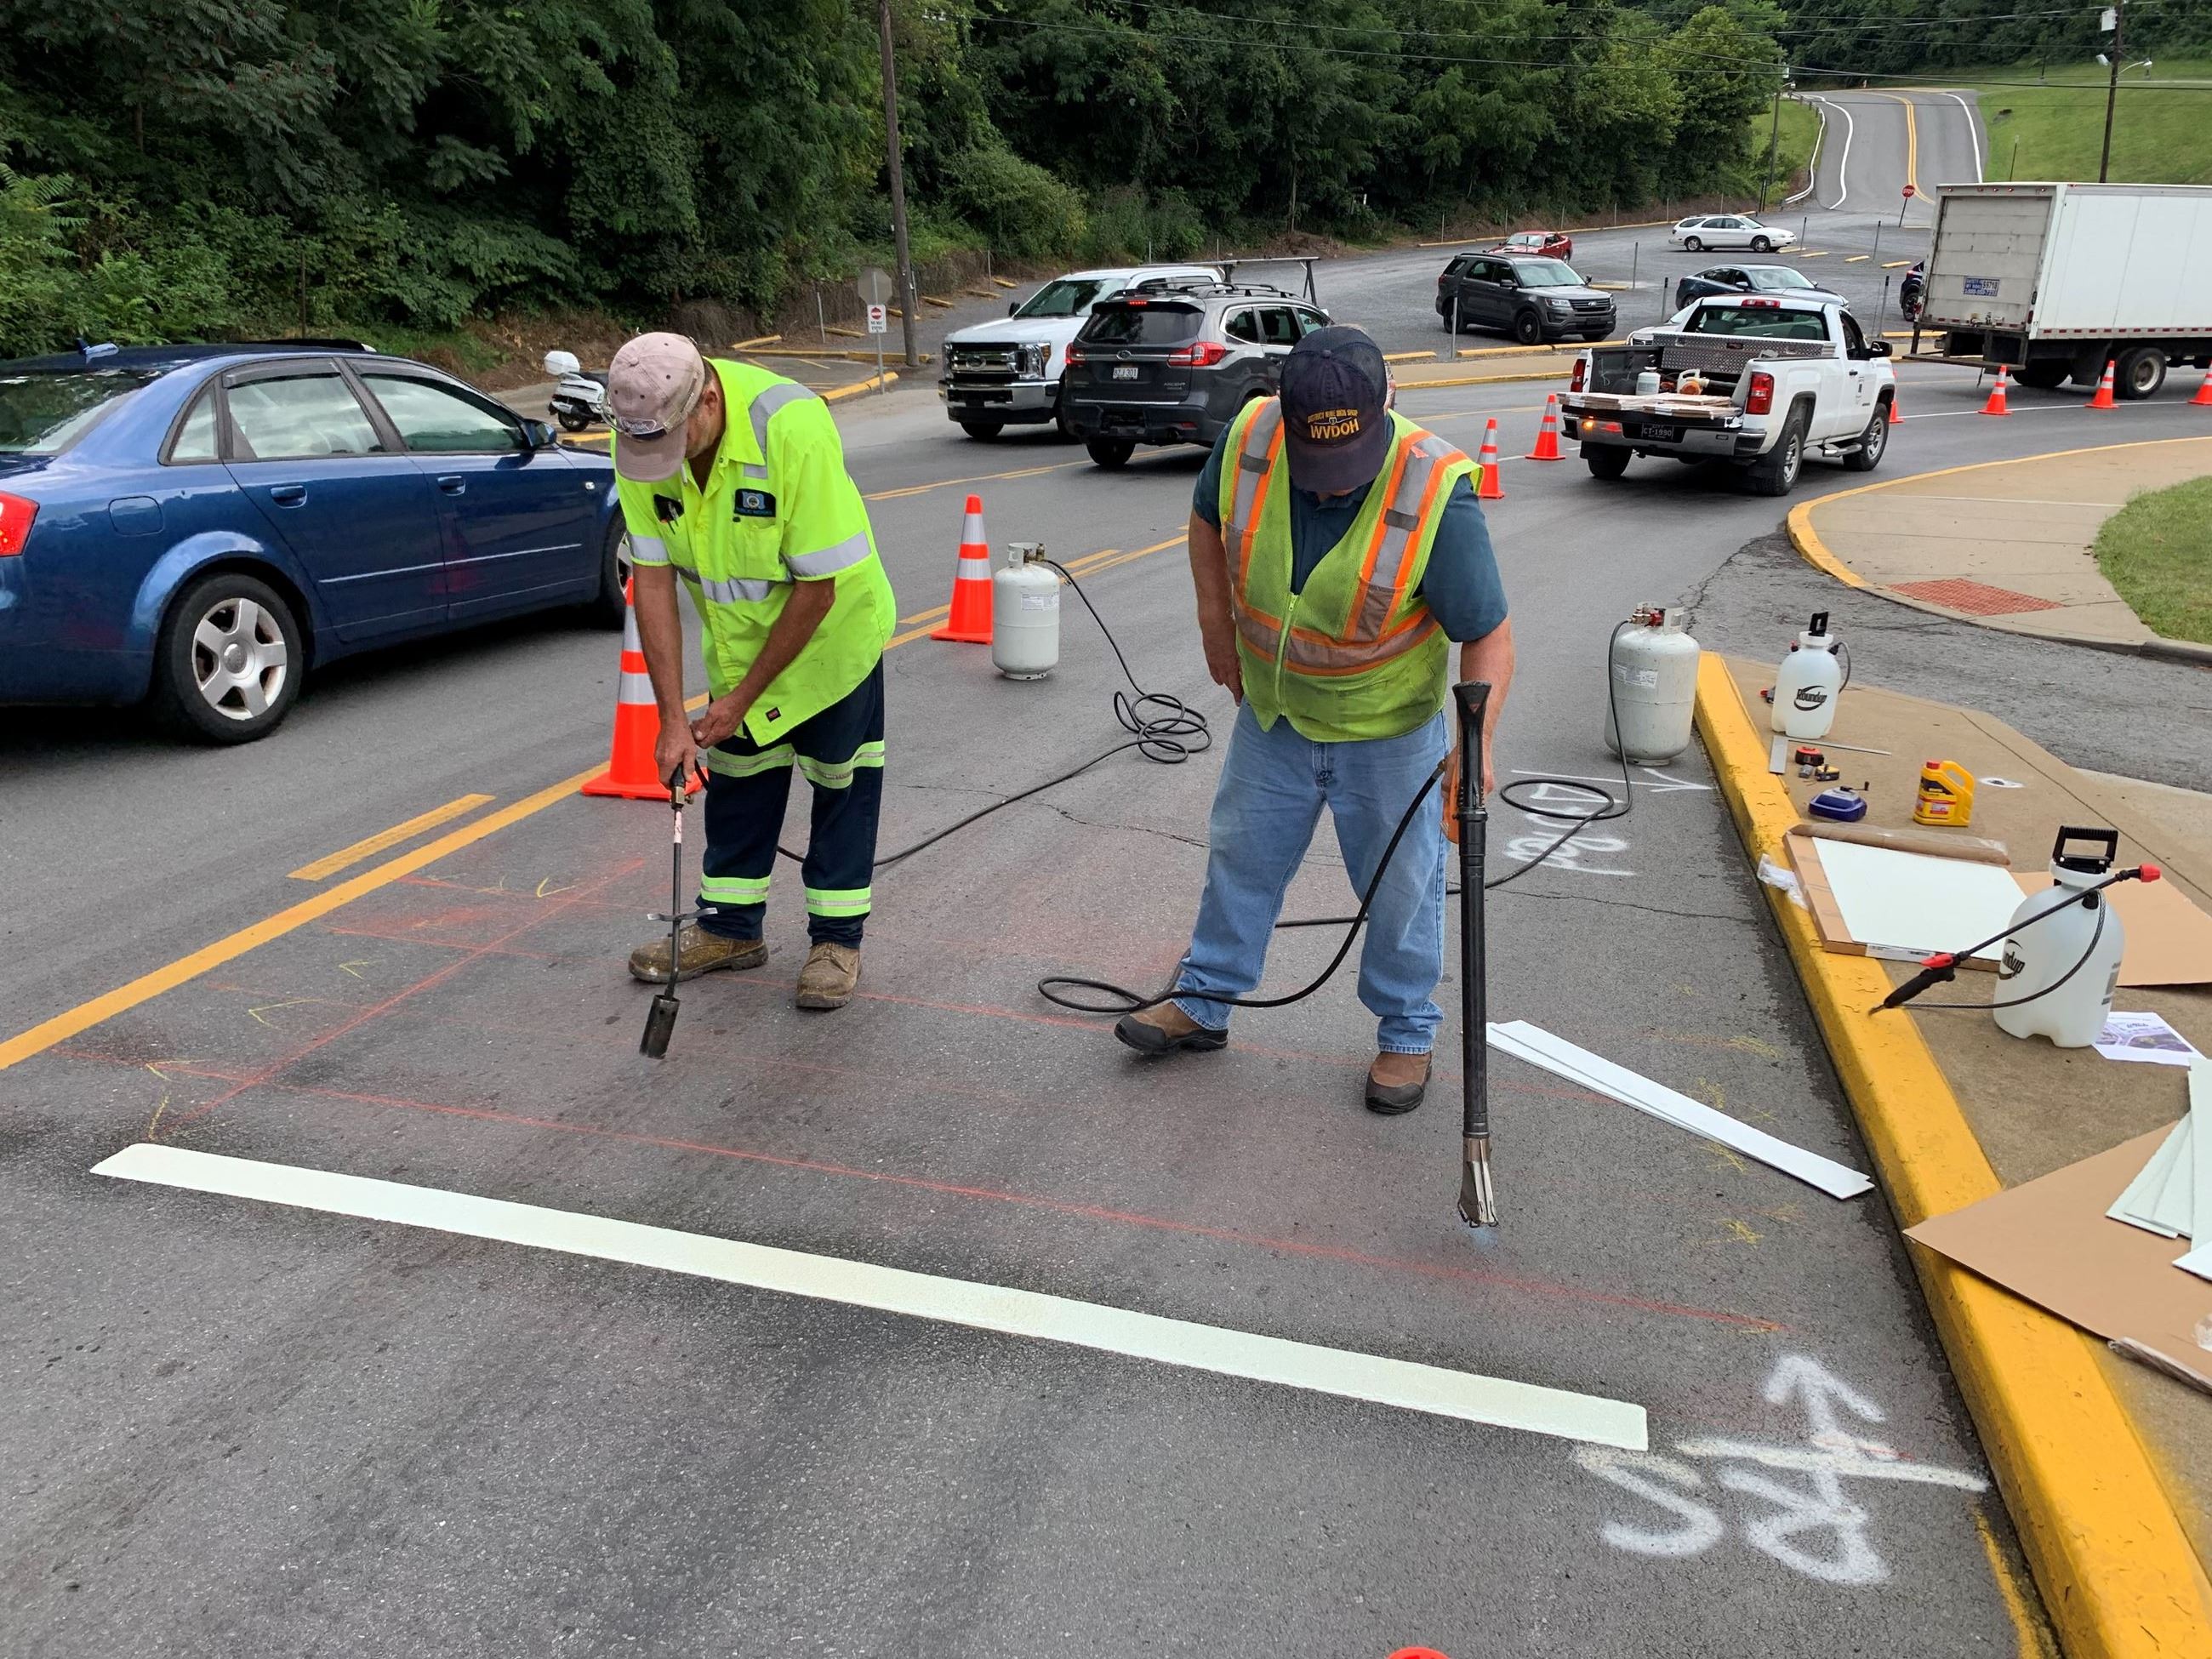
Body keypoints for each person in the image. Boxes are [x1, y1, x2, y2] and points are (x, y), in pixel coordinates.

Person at [1115, 324, 1515, 1113]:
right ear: (1285, 418)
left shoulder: (1435, 489)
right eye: (1316, 464)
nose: (1330, 487)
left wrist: (1477, 745)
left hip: (1387, 733)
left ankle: (1407, 1032)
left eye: (1347, 466)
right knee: (1240, 858)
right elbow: (1206, 517)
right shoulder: (1251, 437)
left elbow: (1489, 634)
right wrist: (1215, 626)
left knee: (1401, 890)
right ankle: (1204, 1000)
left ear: (1385, 409)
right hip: (1276, 716)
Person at [607, 333, 894, 1011]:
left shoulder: (790, 428)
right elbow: (652, 581)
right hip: (739, 648)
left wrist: (740, 700)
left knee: (841, 783)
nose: (661, 461)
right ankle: (730, 929)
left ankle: (836, 941)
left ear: (707, 401)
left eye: (672, 442)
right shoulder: (642, 436)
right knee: (739, 781)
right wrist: (671, 719)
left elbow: (818, 590)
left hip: (830, 643)